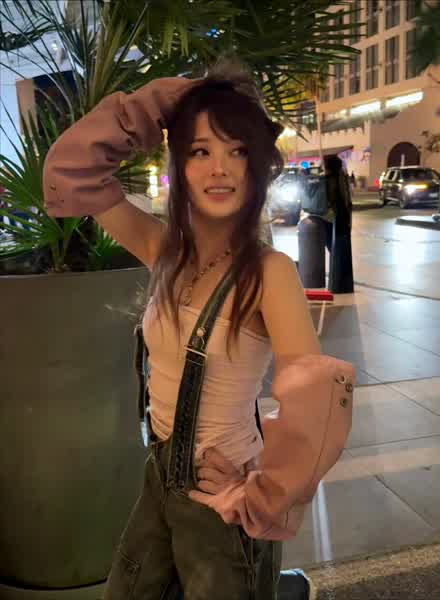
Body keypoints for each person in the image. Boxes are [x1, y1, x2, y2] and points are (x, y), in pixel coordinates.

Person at [43, 60, 354, 599]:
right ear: (179, 163)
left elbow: (318, 403)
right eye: (201, 150)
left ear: (257, 166)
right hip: (158, 479)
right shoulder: (162, 248)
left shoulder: (268, 273)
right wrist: (176, 99)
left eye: (238, 151)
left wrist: (260, 491)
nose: (220, 170)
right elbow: (74, 167)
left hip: (220, 503)